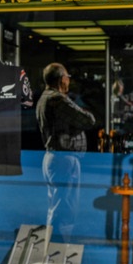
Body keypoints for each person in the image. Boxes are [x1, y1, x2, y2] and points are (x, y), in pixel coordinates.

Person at [36, 62, 96, 240]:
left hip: (55, 157)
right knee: (65, 207)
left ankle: (54, 249)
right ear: (62, 79)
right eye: (67, 77)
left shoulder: (44, 97)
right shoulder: (57, 99)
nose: (69, 81)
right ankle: (58, 250)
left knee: (56, 204)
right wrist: (81, 110)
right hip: (64, 158)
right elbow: (88, 120)